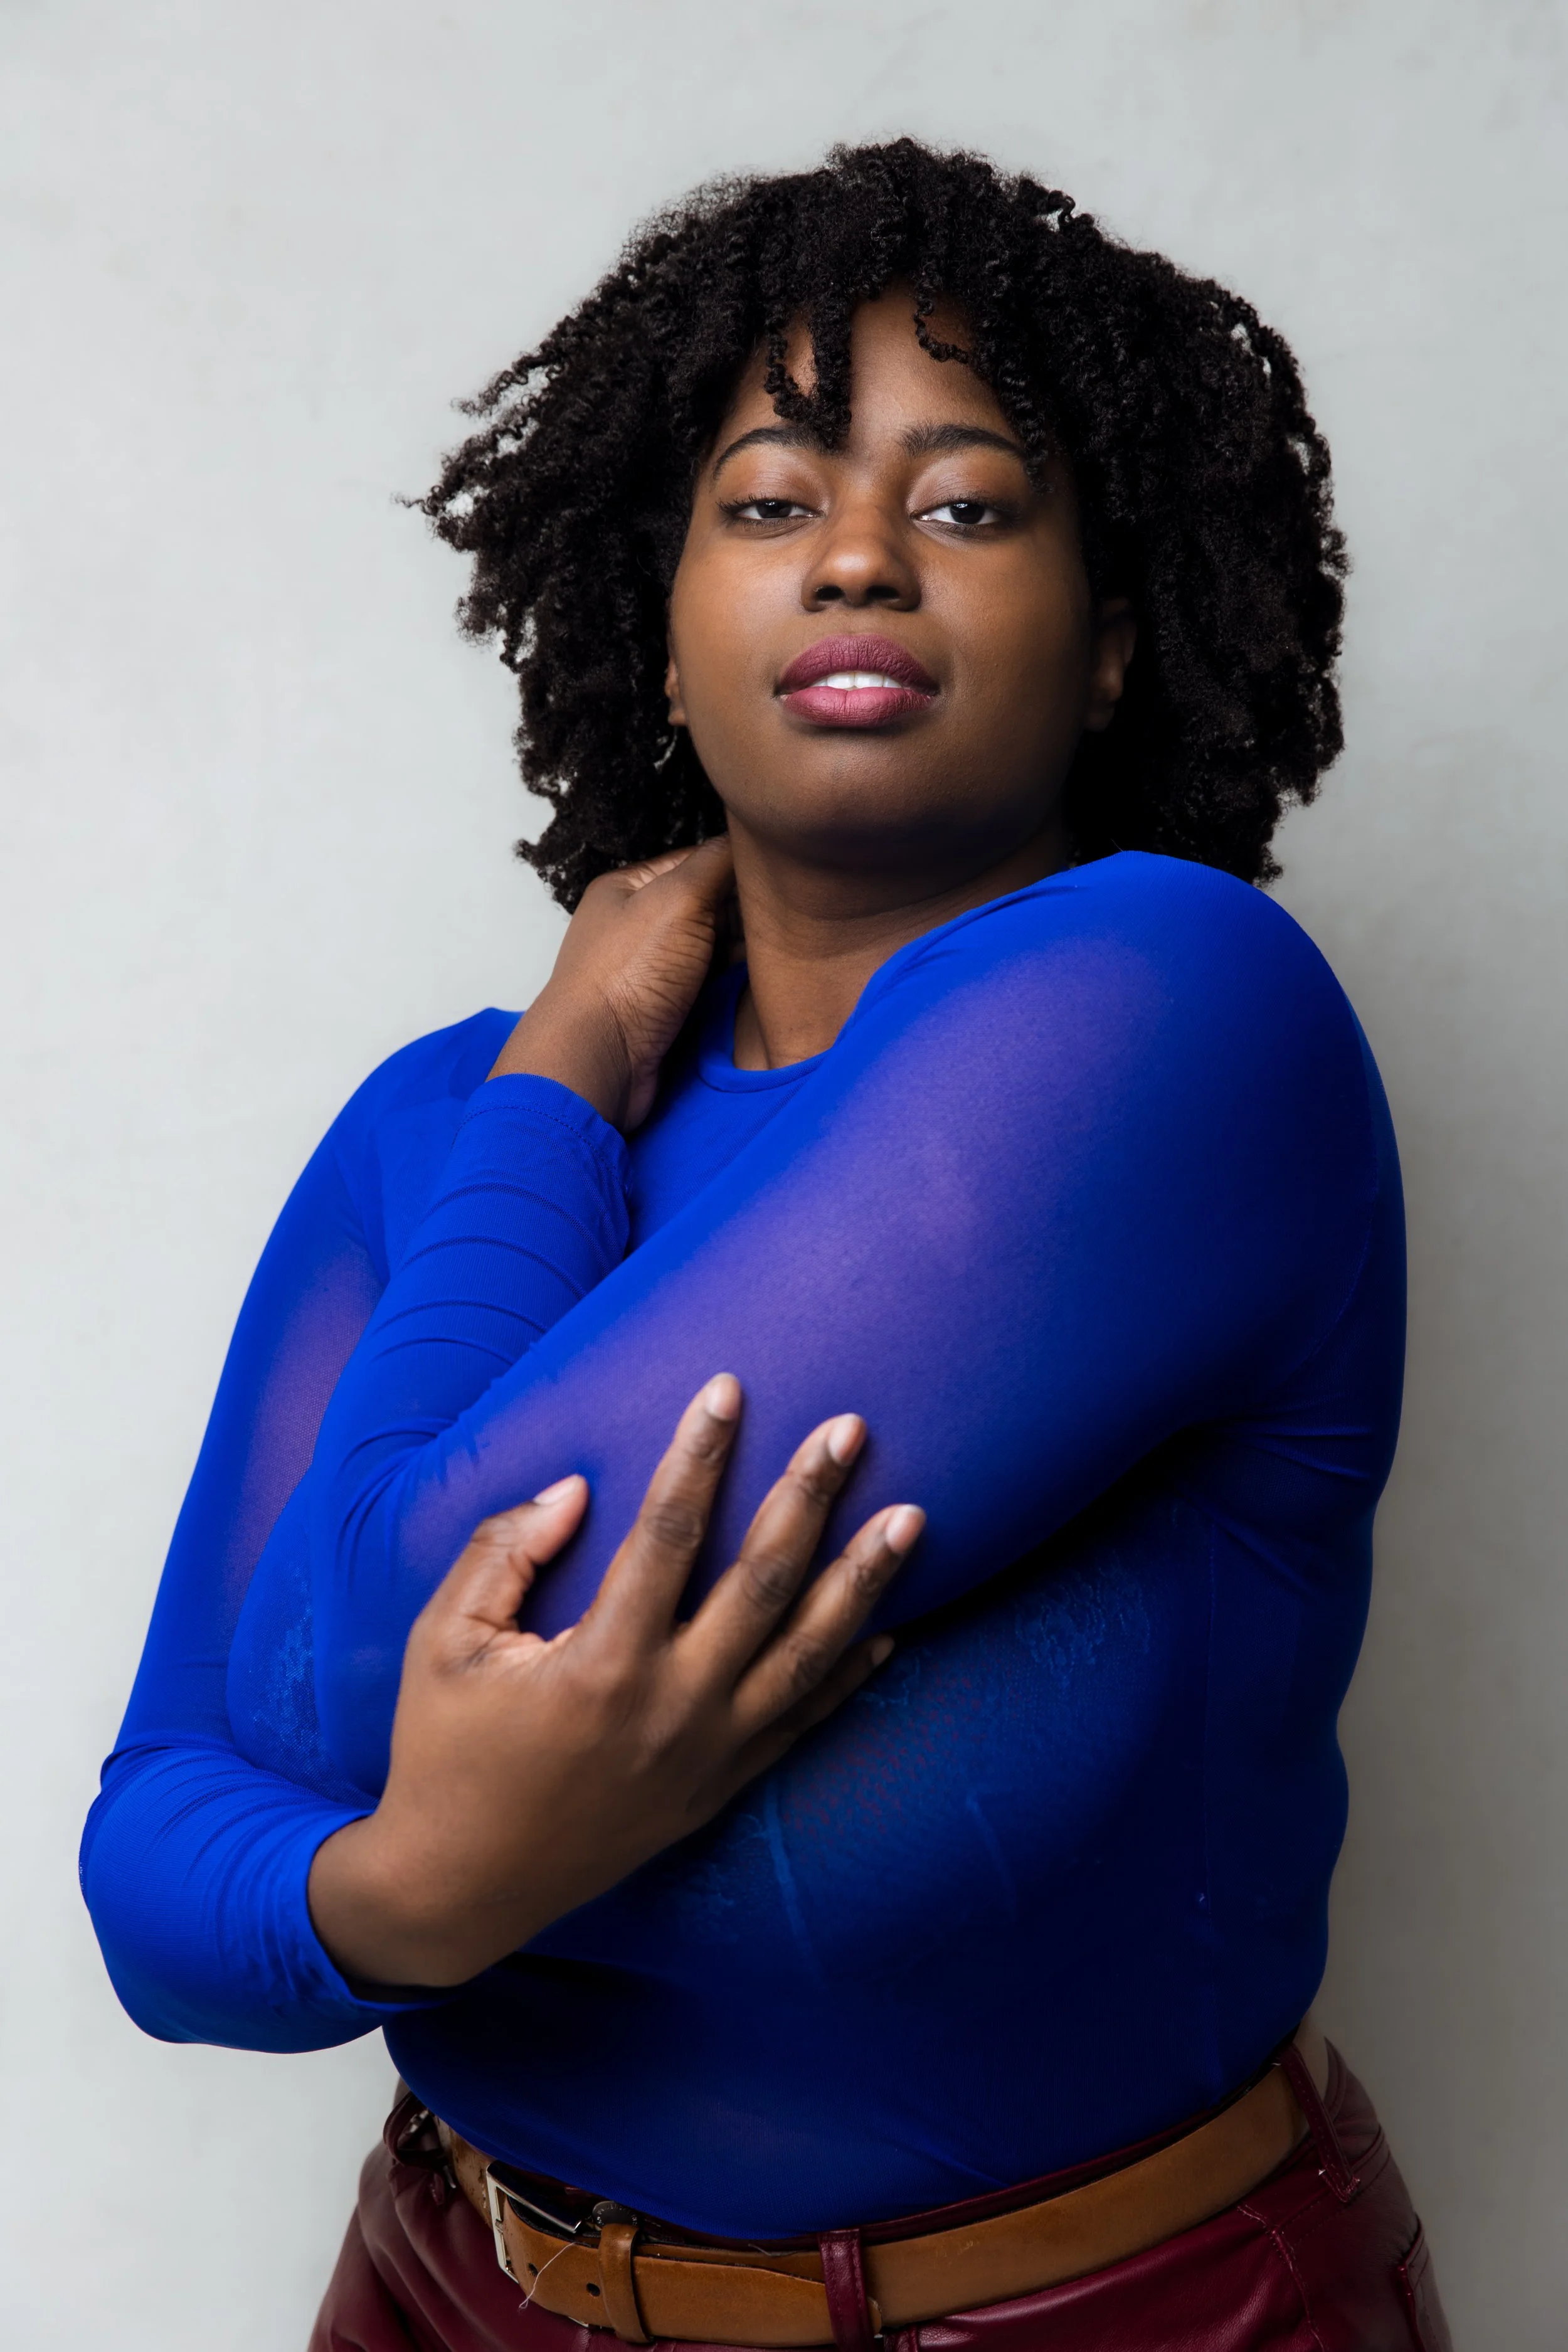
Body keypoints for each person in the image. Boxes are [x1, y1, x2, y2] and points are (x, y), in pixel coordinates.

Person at [81, 140, 1453, 2351]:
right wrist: (425, 1885)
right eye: (764, 500)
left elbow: (346, 1659)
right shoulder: (450, 1109)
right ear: (659, 631)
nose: (856, 559)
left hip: (1088, 2315)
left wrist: (546, 1108)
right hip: (456, 2287)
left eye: (968, 501)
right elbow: (154, 1862)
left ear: (1111, 646)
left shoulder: (1173, 1022)